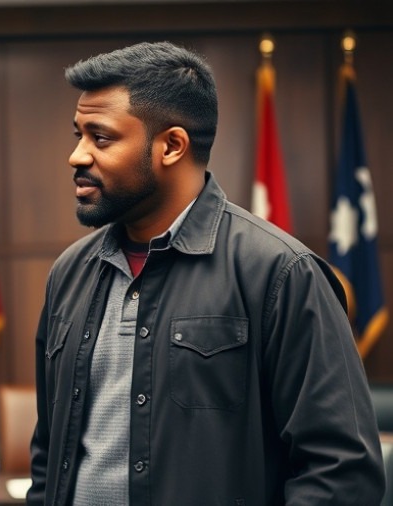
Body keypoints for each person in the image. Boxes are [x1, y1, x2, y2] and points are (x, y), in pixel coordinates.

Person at [28, 41, 385, 505]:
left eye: (101, 137)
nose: (77, 156)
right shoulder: (69, 273)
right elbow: (48, 454)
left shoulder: (280, 273)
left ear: (171, 146)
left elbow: (343, 472)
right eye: (77, 135)